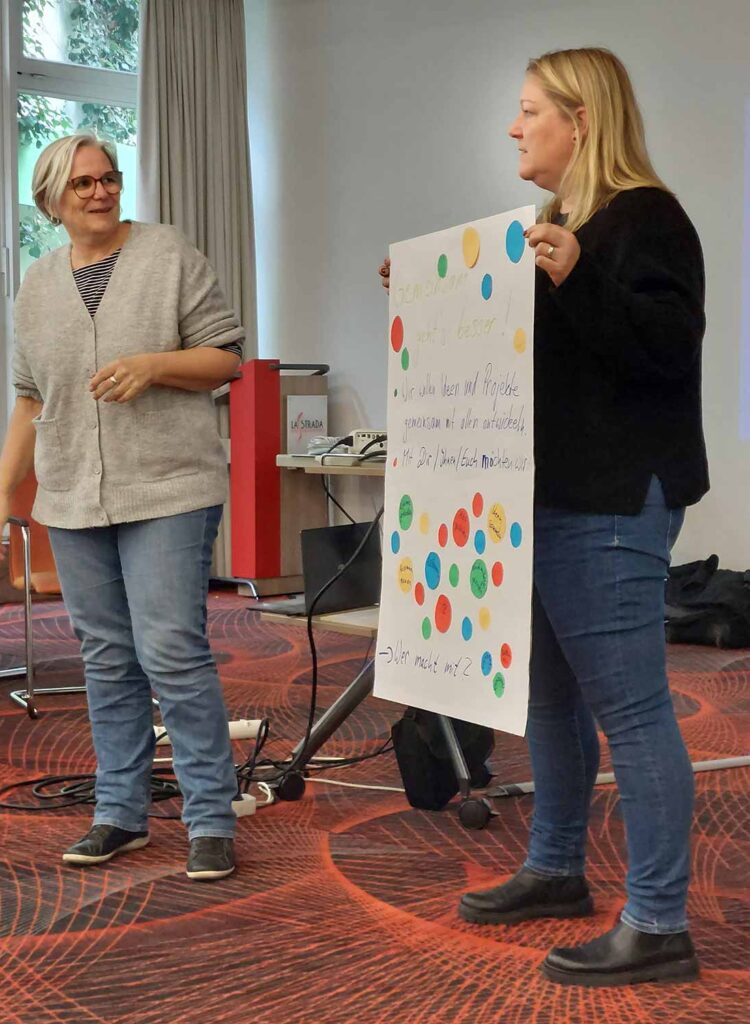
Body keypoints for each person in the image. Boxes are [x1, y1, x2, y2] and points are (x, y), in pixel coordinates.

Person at [379, 47, 708, 987]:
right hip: (541, 500)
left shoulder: (647, 218)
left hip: (609, 501)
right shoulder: (556, 225)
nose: (515, 128)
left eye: (529, 111)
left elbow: (661, 353)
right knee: (549, 700)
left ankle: (658, 921)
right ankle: (558, 868)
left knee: (636, 711)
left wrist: (575, 277)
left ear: (582, 120)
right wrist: (434, 294)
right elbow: (526, 357)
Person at [0, 133, 245, 881]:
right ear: (51, 202)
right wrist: (2, 494)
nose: (100, 193)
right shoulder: (35, 286)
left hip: (168, 486)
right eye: (83, 185)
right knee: (105, 659)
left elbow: (226, 356)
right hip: (71, 497)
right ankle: (120, 814)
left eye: (109, 179)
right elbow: (32, 400)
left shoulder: (168, 255)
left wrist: (155, 366)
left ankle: (210, 819)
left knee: (170, 651)